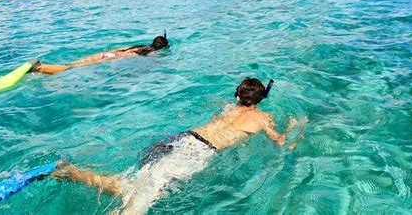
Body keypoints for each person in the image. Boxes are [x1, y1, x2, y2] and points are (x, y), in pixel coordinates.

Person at [51, 78, 308, 214]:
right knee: (141, 201)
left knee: (134, 185)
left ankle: (72, 173)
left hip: (180, 139)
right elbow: (281, 142)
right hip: (197, 153)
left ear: (238, 96)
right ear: (261, 99)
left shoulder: (229, 108)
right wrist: (296, 126)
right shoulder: (263, 118)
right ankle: (75, 176)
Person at [30, 34, 169, 75]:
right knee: (72, 68)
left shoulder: (138, 46)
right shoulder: (151, 53)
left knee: (75, 63)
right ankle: (40, 68)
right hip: (115, 58)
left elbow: (120, 49)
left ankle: (42, 68)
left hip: (107, 54)